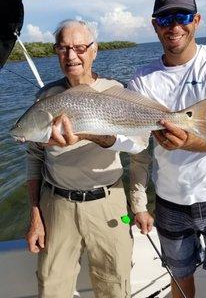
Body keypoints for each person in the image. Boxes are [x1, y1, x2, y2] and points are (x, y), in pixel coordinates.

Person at [26, 19, 147, 298]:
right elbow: (33, 157)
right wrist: (34, 213)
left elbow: (139, 149)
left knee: (115, 285)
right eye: (63, 48)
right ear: (56, 52)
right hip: (56, 205)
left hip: (109, 203)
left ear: (94, 50)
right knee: (51, 287)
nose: (71, 56)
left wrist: (139, 205)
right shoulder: (45, 97)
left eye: (80, 47)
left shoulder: (117, 91)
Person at [128, 0, 206, 298]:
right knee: (179, 282)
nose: (174, 26)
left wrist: (187, 142)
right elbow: (135, 147)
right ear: (155, 25)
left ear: (196, 20)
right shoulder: (141, 79)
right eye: (165, 19)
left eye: (182, 16)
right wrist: (139, 203)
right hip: (170, 200)